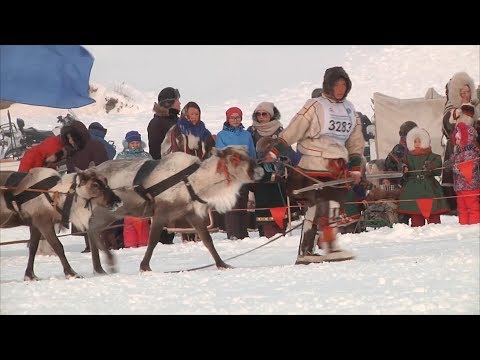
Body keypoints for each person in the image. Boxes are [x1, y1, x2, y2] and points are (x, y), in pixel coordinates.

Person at [264, 66, 364, 264]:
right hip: (313, 163)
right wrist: (275, 150)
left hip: (337, 165)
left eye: (344, 84)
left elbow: (356, 141)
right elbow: (295, 128)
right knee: (320, 205)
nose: (341, 88)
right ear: (328, 85)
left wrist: (355, 166)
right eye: (337, 84)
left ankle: (314, 249)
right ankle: (322, 248)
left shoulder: (350, 109)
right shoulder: (315, 105)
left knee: (330, 206)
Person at [161, 101, 216, 242]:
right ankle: (186, 235)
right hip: (182, 175)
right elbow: (169, 151)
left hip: (200, 176)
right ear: (185, 114)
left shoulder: (204, 132)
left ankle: (200, 233)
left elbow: (211, 151)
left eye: (196, 114)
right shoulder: (176, 131)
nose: (194, 117)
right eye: (191, 114)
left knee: (199, 205)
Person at [247, 101, 300, 238]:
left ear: (271, 115)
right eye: (258, 114)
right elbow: (249, 153)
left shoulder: (280, 131)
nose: (261, 117)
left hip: (279, 175)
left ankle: (281, 231)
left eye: (264, 114)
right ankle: (265, 235)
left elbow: (288, 152)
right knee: (264, 209)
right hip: (260, 177)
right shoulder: (251, 132)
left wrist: (284, 163)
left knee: (279, 206)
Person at [215, 106, 256, 240]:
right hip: (229, 175)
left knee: (242, 202)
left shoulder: (246, 135)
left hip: (243, 174)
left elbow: (252, 153)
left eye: (237, 117)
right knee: (232, 203)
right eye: (232, 117)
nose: (235, 120)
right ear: (227, 119)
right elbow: (221, 154)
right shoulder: (222, 135)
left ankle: (243, 232)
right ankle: (232, 232)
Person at [147, 86, 181, 245]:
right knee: (163, 206)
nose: (180, 103)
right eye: (177, 100)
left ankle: (173, 235)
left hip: (178, 170)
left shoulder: (176, 120)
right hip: (163, 171)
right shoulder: (156, 123)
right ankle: (161, 238)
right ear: (169, 103)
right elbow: (155, 150)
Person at [441, 72, 479, 213]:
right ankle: (458, 207)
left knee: (473, 177)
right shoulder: (451, 108)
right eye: (462, 92)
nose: (465, 95)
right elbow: (446, 126)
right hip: (456, 148)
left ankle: (474, 207)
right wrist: (457, 115)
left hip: (473, 148)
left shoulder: (476, 105)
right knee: (458, 177)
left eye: (467, 91)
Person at [397, 127, 450, 227]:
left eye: (419, 141)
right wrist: (403, 167)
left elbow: (438, 167)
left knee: (433, 216)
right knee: (416, 217)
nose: (417, 143)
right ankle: (417, 233)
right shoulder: (408, 157)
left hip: (430, 187)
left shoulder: (433, 156)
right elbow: (401, 164)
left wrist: (431, 166)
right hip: (413, 189)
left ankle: (436, 231)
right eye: (415, 141)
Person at [116, 130, 152, 247]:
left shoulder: (146, 156)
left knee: (142, 217)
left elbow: (152, 170)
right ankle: (130, 242)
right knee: (129, 218)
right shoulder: (121, 157)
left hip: (142, 190)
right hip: (127, 190)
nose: (135, 145)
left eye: (137, 142)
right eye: (133, 143)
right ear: (128, 144)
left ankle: (143, 241)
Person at [443, 123, 480, 225]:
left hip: (470, 187)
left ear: (467, 137)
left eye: (459, 134)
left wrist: (452, 167)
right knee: (462, 208)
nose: (456, 136)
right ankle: (463, 226)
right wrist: (448, 163)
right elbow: (453, 160)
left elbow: (466, 169)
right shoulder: (458, 152)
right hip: (460, 187)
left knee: (472, 208)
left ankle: (474, 226)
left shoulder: (471, 153)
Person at [384, 120, 418, 224]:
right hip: (399, 184)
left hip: (405, 182)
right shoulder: (400, 148)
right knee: (406, 205)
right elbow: (393, 165)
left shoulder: (410, 146)